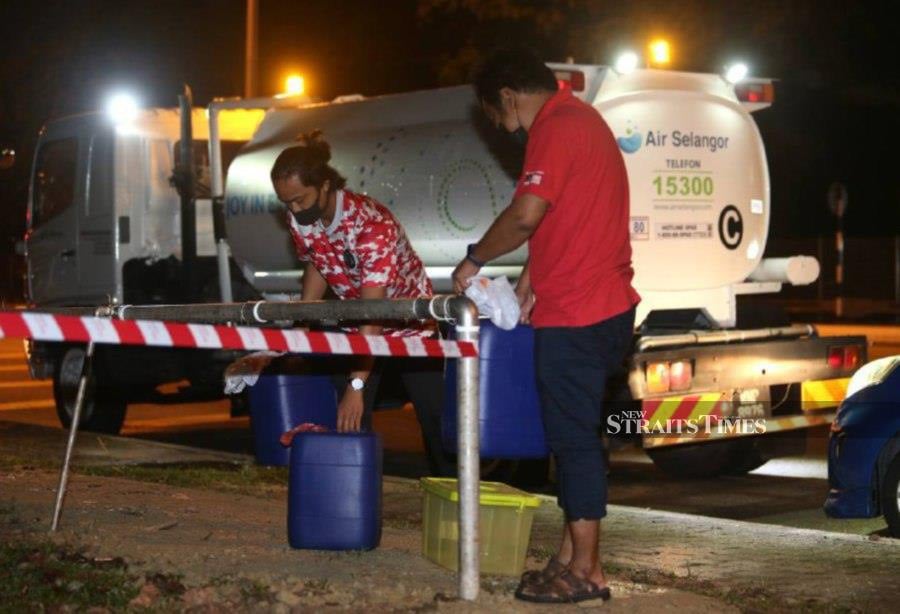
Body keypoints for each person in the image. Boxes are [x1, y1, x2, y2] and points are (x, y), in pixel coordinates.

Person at [452, 48, 640, 604]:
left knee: (573, 441)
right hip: (599, 303)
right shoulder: (581, 119)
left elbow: (526, 214)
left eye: (494, 114)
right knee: (578, 435)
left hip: (579, 312)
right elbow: (568, 212)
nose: (498, 127)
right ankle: (567, 558)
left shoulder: (555, 127)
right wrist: (534, 273)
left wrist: (473, 260)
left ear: (507, 96)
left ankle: (588, 572)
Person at [271, 131, 454, 477]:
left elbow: (375, 313)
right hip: (357, 327)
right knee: (350, 422)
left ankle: (454, 500)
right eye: (286, 203)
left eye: (299, 200)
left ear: (325, 185)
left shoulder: (371, 226)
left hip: (410, 331)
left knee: (438, 426)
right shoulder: (299, 217)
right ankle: (357, 499)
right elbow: (316, 261)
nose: (293, 210)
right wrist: (302, 322)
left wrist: (358, 384)